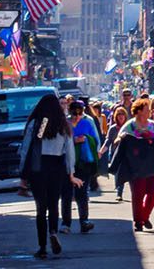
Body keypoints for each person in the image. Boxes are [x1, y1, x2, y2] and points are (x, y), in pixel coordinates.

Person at [18, 94, 84, 259]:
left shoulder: (39, 123)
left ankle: (42, 247)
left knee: (41, 208)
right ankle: (53, 231)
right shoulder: (64, 125)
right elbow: (69, 151)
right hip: (57, 167)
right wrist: (71, 173)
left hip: (39, 167)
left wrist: (22, 173)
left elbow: (31, 146)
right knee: (53, 204)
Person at [112, 98, 154, 232]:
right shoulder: (130, 125)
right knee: (138, 193)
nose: (149, 111)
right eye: (147, 109)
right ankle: (138, 221)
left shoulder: (153, 125)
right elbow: (116, 141)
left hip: (153, 164)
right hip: (136, 165)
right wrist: (122, 137)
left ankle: (145, 216)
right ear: (139, 111)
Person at [62, 99, 100, 234]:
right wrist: (74, 140)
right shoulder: (64, 123)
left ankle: (84, 221)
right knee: (66, 193)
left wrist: (95, 150)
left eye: (79, 113)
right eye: (74, 113)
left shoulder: (87, 122)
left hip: (84, 162)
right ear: (69, 112)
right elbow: (60, 142)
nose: (77, 116)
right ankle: (65, 223)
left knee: (82, 193)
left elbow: (96, 139)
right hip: (67, 162)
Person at [104, 106, 130, 201]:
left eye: (122, 114)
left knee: (131, 174)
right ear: (115, 116)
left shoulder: (129, 127)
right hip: (116, 153)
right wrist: (101, 151)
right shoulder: (112, 129)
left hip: (128, 154)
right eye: (119, 114)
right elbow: (108, 141)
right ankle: (119, 193)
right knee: (118, 173)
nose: (121, 116)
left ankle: (135, 193)